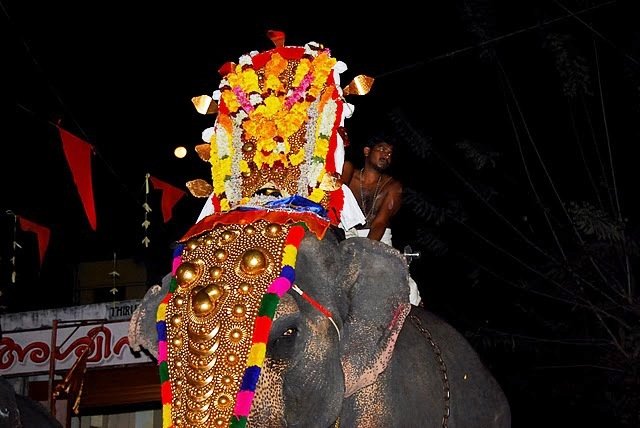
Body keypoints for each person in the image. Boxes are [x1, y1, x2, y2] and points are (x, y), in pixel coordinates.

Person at [341, 135, 423, 306]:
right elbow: (333, 194)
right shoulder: (349, 171)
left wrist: (363, 254)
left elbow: (379, 223)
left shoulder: (393, 187)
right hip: (345, 232)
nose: (386, 155)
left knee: (403, 282)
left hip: (377, 237)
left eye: (390, 153)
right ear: (367, 151)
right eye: (382, 149)